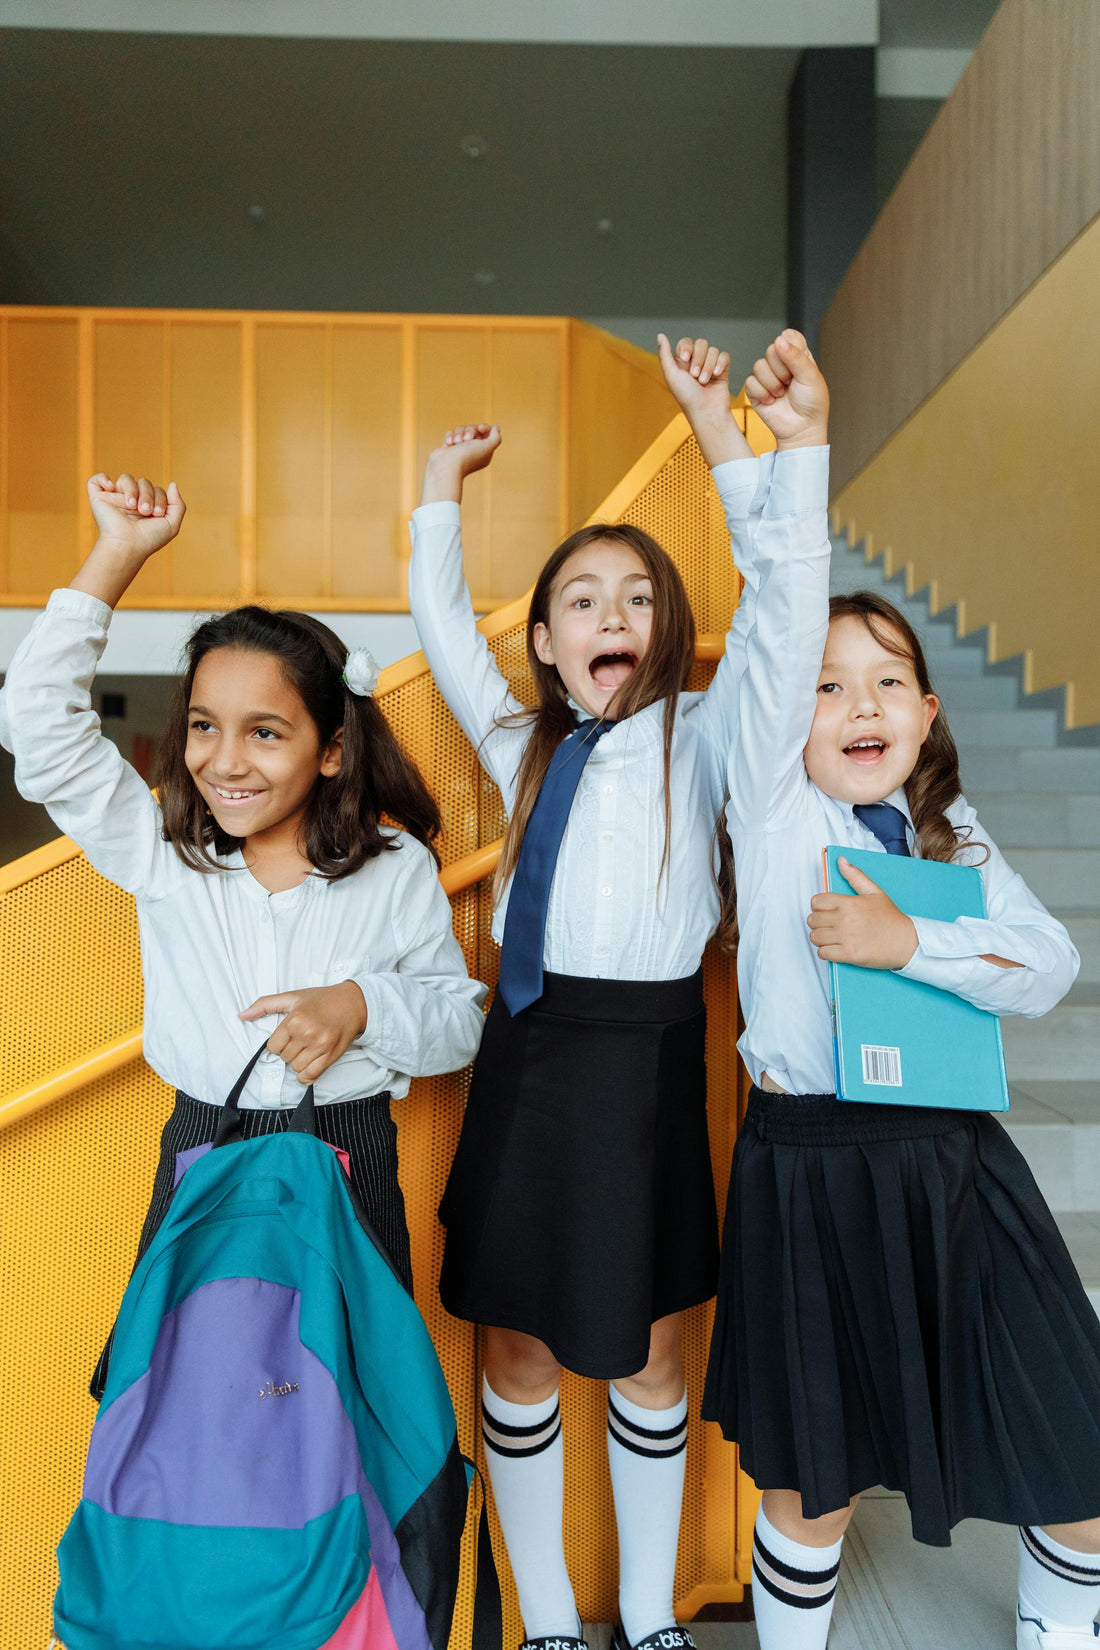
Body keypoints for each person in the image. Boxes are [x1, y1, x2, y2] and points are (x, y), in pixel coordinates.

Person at [702, 331, 1100, 1650]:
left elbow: (1049, 966)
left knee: (1075, 1441)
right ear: (786, 716)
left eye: (885, 683)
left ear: (928, 714)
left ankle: (1063, 1630)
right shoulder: (767, 805)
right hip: (810, 1163)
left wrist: (906, 944)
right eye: (826, 687)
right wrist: (793, 453)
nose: (857, 702)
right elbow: (775, 621)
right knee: (813, 1482)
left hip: (955, 1162)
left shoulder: (950, 832)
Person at [407, 338, 774, 1650]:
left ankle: (645, 1616)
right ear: (550, 643)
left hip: (653, 1060)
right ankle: (554, 1621)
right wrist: (441, 491)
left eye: (635, 596)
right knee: (513, 1349)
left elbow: (784, 598)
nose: (611, 615)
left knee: (648, 1351)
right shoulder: (519, 741)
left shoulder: (711, 729)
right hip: (529, 1056)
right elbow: (442, 625)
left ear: (666, 627)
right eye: (582, 599)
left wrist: (712, 426)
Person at [0, 469, 487, 1398]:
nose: (225, 761)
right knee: (186, 1404)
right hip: (202, 1152)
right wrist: (118, 554)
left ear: (332, 748)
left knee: (348, 1410)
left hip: (350, 1161)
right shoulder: (163, 854)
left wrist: (363, 1006)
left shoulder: (393, 867)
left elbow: (460, 1021)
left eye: (266, 732)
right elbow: (36, 723)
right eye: (203, 728)